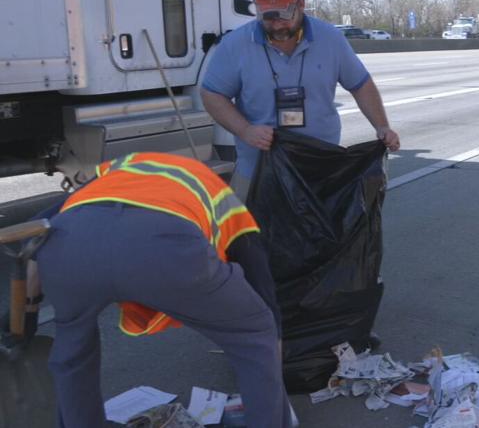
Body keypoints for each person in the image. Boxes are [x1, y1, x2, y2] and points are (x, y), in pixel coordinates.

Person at [30, 152, 293, 428]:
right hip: (163, 246)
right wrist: (271, 338)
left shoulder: (107, 177)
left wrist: (25, 314)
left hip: (68, 247)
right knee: (254, 334)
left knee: (72, 355)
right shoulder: (222, 195)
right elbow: (258, 274)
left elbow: (36, 239)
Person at [200, 0, 400, 200]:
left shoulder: (330, 39)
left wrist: (382, 126)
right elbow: (212, 94)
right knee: (250, 235)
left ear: (301, 4)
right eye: (267, 16)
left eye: (284, 15)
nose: (276, 25)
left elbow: (361, 85)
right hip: (257, 172)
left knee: (321, 234)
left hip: (319, 171)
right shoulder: (236, 44)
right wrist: (245, 130)